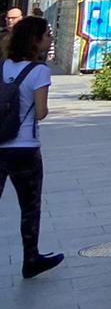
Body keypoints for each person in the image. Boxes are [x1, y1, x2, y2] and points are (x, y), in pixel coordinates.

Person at [1, 14, 64, 278]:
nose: (50, 39)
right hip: (25, 147)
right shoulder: (40, 72)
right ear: (35, 40)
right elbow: (40, 113)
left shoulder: (3, 66)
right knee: (30, 207)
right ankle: (31, 259)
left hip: (0, 144)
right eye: (47, 35)